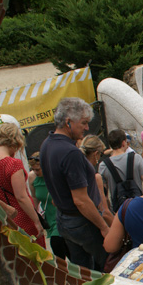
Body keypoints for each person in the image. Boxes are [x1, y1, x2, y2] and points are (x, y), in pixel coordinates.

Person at [40, 98, 109, 271]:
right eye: (84, 123)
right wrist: (104, 227)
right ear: (68, 122)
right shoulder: (70, 153)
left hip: (64, 219)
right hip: (82, 222)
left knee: (84, 272)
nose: (87, 128)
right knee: (110, 265)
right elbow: (81, 200)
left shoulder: (46, 145)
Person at [0, 123, 44, 246]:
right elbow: (21, 197)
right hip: (22, 217)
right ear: (15, 141)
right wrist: (37, 221)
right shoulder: (13, 164)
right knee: (35, 257)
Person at [28, 152, 68, 259]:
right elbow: (35, 197)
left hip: (61, 216)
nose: (35, 172)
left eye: (38, 169)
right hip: (49, 217)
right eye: (33, 169)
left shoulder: (55, 176)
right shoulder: (32, 178)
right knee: (62, 248)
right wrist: (35, 216)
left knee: (57, 244)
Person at [99, 129, 143, 213]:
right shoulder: (136, 158)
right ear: (124, 143)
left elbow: (104, 196)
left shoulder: (103, 166)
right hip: (138, 208)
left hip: (119, 212)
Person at [79, 135, 114, 228]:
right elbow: (104, 211)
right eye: (100, 154)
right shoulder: (95, 177)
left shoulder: (76, 173)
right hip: (93, 226)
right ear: (96, 154)